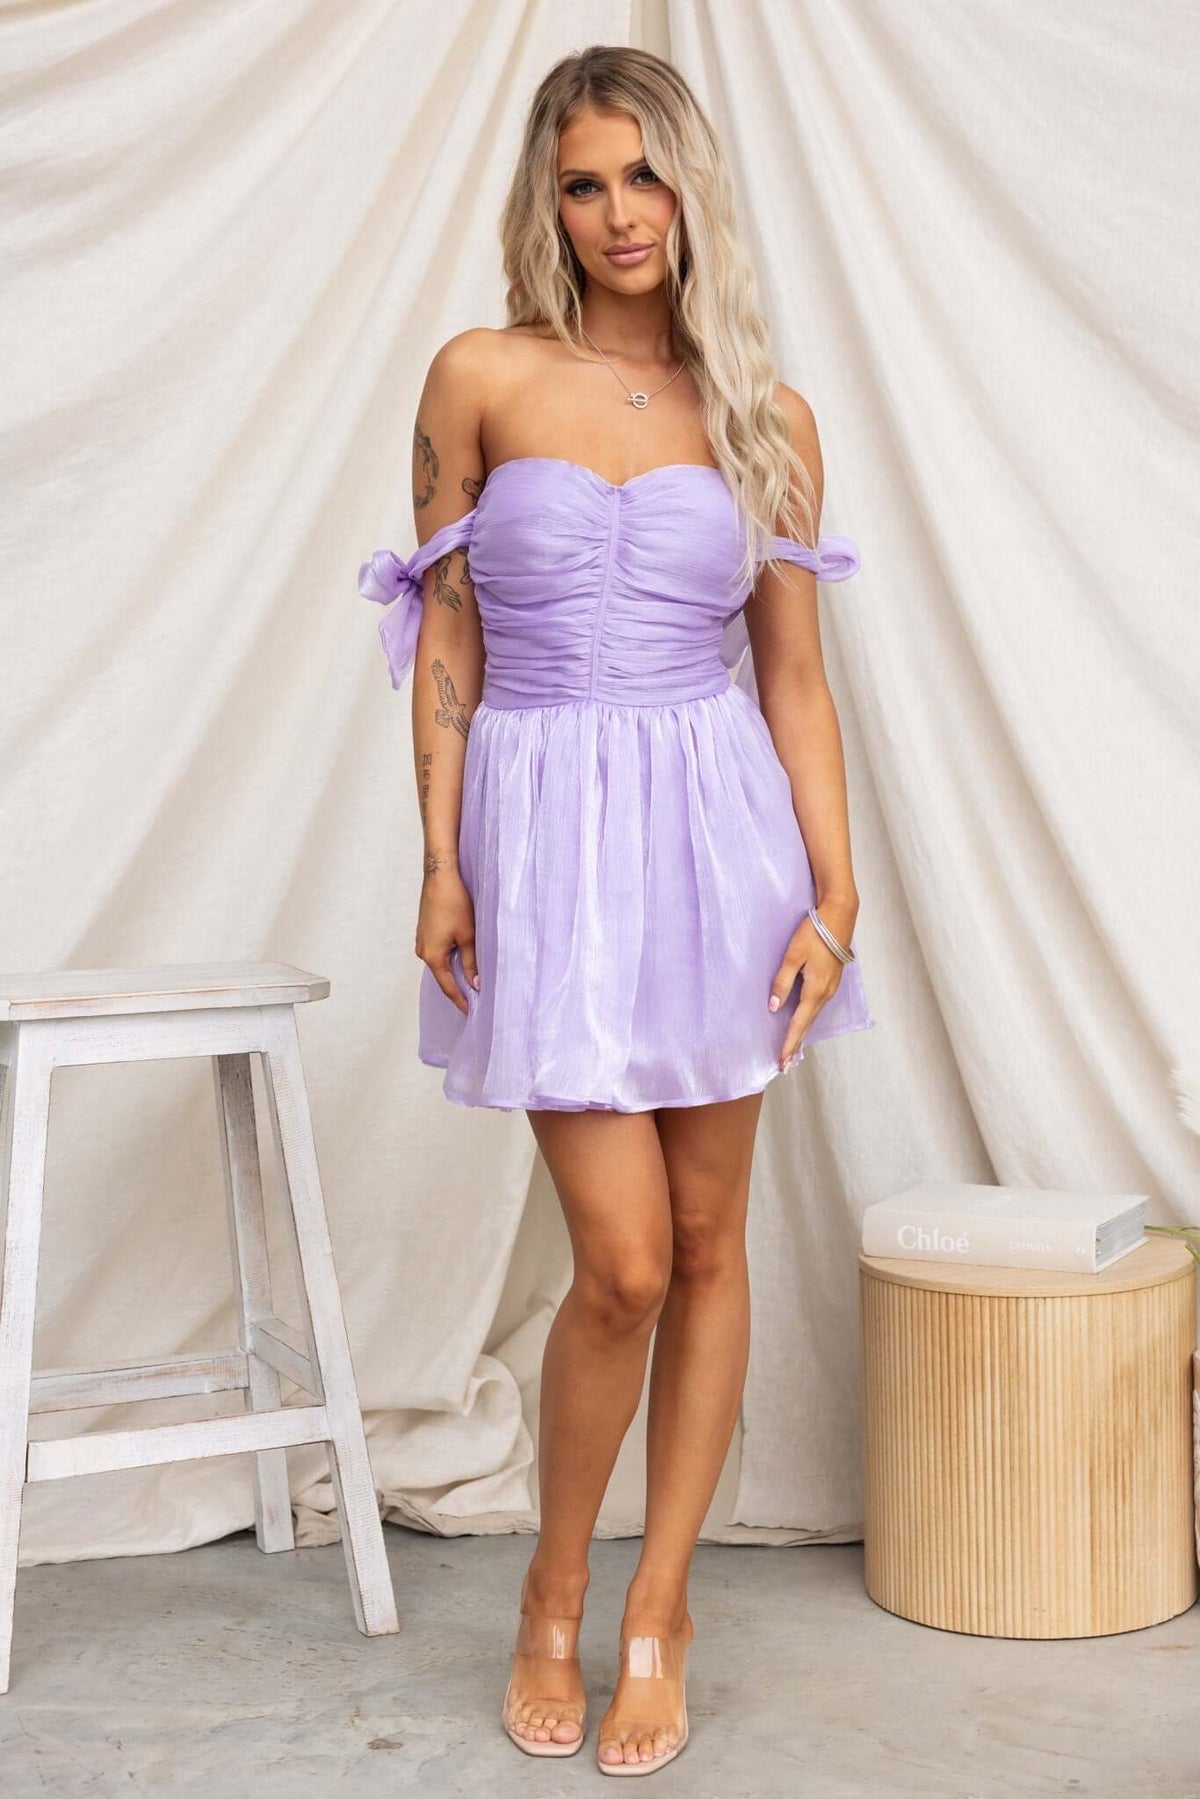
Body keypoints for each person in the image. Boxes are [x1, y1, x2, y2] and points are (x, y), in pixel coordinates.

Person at [358, 43, 873, 1779]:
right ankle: (550, 1596)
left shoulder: (768, 414)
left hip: (722, 843)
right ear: (547, 200)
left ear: (690, 188)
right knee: (626, 1261)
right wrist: (439, 855)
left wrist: (837, 884)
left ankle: (661, 1613)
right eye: (585, 182)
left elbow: (793, 679)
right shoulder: (480, 375)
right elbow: (447, 642)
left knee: (715, 1246)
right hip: (547, 841)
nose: (619, 214)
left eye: (644, 177)